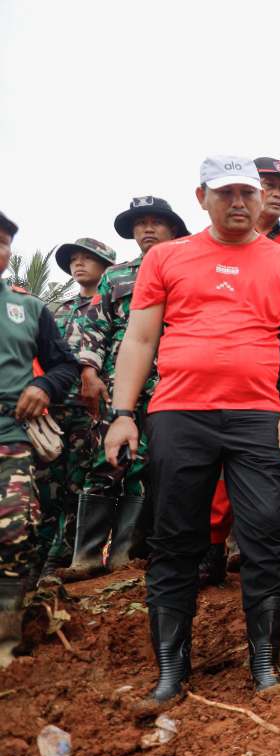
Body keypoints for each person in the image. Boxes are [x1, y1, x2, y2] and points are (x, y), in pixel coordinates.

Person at [103, 156, 280, 713]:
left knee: (268, 533)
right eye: (226, 193)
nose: (239, 202)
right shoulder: (168, 258)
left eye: (248, 191)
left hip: (258, 415)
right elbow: (140, 339)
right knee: (175, 538)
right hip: (179, 412)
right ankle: (171, 671)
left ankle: (264, 666)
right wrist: (123, 413)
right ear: (202, 197)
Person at [67, 197, 189, 582]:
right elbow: (94, 326)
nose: (147, 229)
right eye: (140, 224)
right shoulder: (115, 277)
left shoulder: (189, 268)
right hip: (117, 387)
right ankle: (85, 557)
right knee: (106, 463)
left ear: (173, 228)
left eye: (156, 222)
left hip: (172, 384)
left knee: (152, 467)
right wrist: (88, 370)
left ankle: (126, 556)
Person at [0, 211, 79, 648]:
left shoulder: (28, 308)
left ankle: (6, 638)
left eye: (3, 242)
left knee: (15, 531)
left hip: (11, 434)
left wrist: (43, 385)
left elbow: (64, 363)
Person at [38, 238, 116, 573]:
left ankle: (68, 554)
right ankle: (40, 557)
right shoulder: (59, 310)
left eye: (88, 258)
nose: (78, 264)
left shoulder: (117, 306)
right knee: (48, 484)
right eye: (74, 259)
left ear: (106, 265)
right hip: (55, 408)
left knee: (84, 480)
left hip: (95, 409)